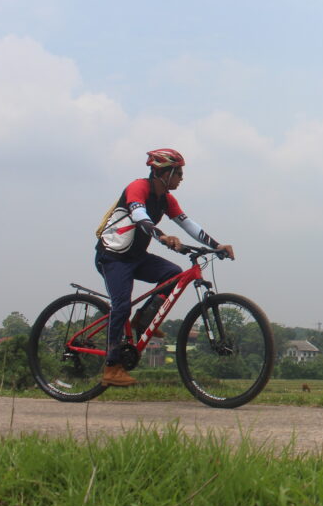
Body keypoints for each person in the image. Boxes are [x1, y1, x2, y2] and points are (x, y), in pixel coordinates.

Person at [95, 148, 234, 387]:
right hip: (113, 257)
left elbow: (187, 224)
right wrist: (162, 237)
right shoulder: (138, 188)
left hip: (137, 257)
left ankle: (143, 319)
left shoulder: (166, 199)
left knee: (173, 275)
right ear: (164, 173)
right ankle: (111, 367)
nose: (181, 177)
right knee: (121, 306)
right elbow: (139, 215)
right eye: (178, 172)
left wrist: (216, 244)